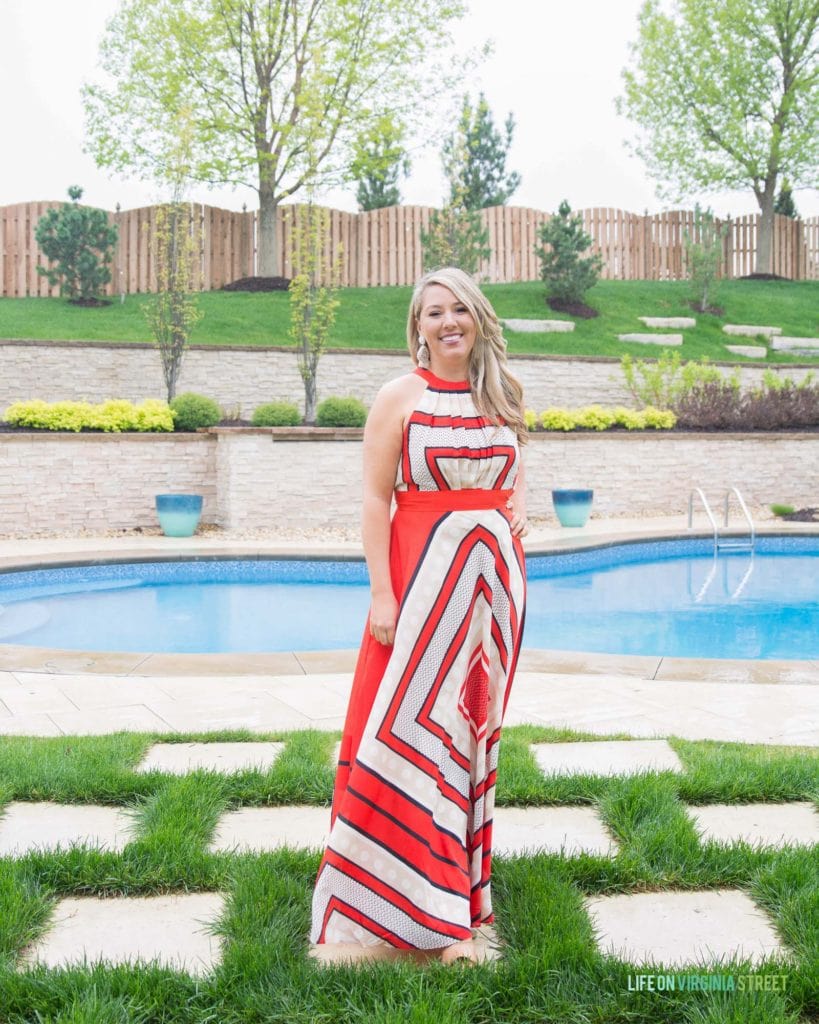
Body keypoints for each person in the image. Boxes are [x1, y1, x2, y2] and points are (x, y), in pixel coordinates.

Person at [309, 266, 528, 965]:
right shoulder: (398, 396)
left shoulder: (502, 392)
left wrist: (520, 501)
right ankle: (387, 895)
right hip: (419, 584)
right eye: (434, 312)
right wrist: (382, 593)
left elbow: (512, 469)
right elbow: (377, 500)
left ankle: (456, 889)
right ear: (417, 326)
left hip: (490, 594)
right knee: (400, 729)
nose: (448, 322)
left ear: (479, 318)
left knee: (465, 737)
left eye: (460, 308)